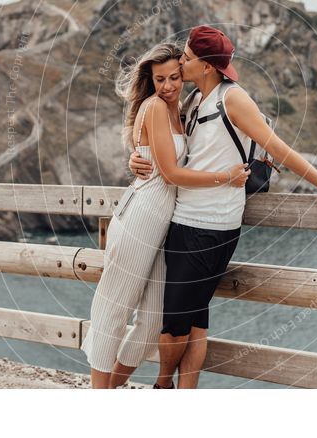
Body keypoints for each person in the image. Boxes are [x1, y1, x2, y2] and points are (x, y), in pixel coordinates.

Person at [129, 25, 317, 389]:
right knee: (195, 319)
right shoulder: (194, 100)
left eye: (188, 58)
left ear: (207, 66)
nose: (181, 61)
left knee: (174, 321)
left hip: (210, 226)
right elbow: (167, 147)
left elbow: (278, 147)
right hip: (185, 221)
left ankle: (162, 386)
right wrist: (136, 158)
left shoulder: (233, 98)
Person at [81, 42, 250, 389]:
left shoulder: (184, 108)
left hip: (169, 223)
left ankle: (112, 386)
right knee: (114, 309)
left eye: (175, 76)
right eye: (160, 79)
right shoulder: (156, 106)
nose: (168, 85)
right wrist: (226, 178)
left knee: (153, 320)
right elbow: (170, 173)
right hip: (142, 216)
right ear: (150, 79)